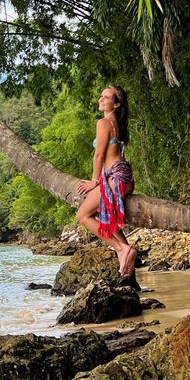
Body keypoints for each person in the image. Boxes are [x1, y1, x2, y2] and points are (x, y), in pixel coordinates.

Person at [75, 86, 137, 277]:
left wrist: (94, 181)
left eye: (106, 97)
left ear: (116, 104)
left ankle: (121, 249)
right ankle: (124, 253)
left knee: (83, 216)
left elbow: (99, 155)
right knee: (104, 213)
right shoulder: (115, 123)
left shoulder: (103, 122)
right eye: (101, 96)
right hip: (124, 177)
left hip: (116, 178)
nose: (101, 99)